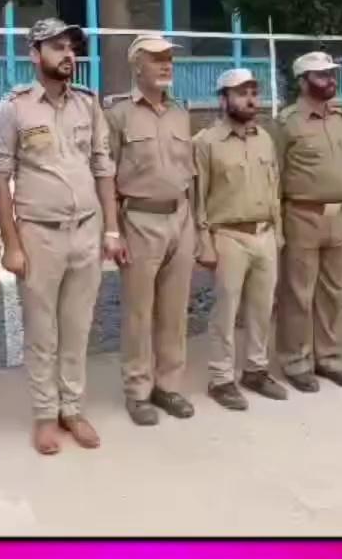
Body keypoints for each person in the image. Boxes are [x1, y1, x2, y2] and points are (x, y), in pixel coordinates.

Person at [0, 18, 124, 455]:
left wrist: (112, 228)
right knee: (43, 331)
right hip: (38, 235)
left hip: (85, 230)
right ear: (35, 54)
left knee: (77, 327)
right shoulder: (14, 108)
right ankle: (45, 415)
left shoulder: (88, 103)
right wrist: (10, 244)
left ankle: (72, 408)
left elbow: (103, 167)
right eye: (57, 47)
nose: (68, 55)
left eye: (72, 48)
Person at [104, 34, 197, 426]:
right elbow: (105, 174)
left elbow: (190, 172)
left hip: (180, 216)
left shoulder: (180, 112)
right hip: (139, 219)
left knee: (175, 312)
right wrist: (112, 230)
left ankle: (168, 385)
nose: (166, 65)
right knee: (140, 314)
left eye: (169, 59)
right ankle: (138, 390)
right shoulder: (118, 115)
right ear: (136, 65)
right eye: (157, 59)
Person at [193, 68, 288, 410]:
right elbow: (198, 197)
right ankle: (221, 378)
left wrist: (277, 231)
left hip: (264, 233)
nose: (250, 99)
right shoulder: (206, 143)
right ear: (223, 99)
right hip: (228, 235)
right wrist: (203, 241)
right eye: (241, 93)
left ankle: (256, 369)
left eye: (253, 92)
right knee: (226, 311)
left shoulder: (264, 138)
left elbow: (274, 187)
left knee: (262, 309)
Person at [273, 51, 342, 392]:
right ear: (302, 81)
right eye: (321, 75)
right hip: (302, 216)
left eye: (331, 74)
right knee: (298, 293)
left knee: (335, 292)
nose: (330, 80)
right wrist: (277, 224)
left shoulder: (341, 120)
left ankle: (328, 358)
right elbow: (276, 176)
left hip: (338, 216)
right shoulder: (287, 123)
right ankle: (296, 361)